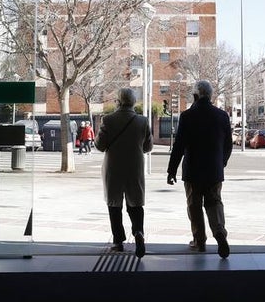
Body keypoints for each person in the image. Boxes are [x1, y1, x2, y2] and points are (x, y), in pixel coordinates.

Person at [166, 79, 233, 258]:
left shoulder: (187, 116)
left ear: (195, 95)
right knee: (214, 202)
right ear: (211, 96)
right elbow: (228, 144)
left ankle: (199, 241)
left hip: (193, 171)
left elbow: (179, 146)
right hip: (214, 170)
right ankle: (219, 232)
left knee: (194, 205)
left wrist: (171, 170)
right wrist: (223, 161)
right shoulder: (222, 116)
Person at [94, 88, 154, 257]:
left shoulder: (108, 120)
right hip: (135, 168)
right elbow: (148, 147)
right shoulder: (143, 121)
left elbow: (99, 146)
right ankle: (138, 233)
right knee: (135, 203)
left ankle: (118, 241)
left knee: (114, 205)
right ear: (134, 102)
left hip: (113, 168)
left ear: (118, 101)